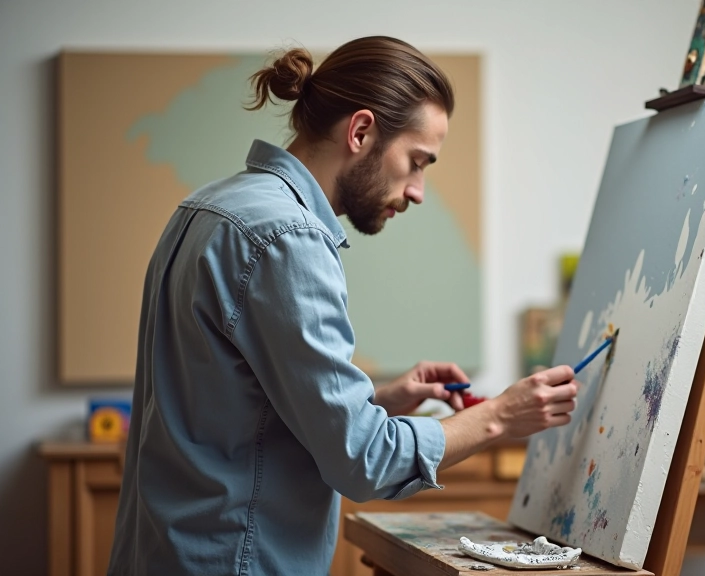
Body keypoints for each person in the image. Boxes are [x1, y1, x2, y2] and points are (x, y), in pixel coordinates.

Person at [107, 36, 579, 575]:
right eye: (417, 161)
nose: (419, 190)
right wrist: (501, 416)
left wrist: (378, 399)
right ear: (360, 131)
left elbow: (238, 408)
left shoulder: (208, 206)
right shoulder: (289, 238)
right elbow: (366, 461)